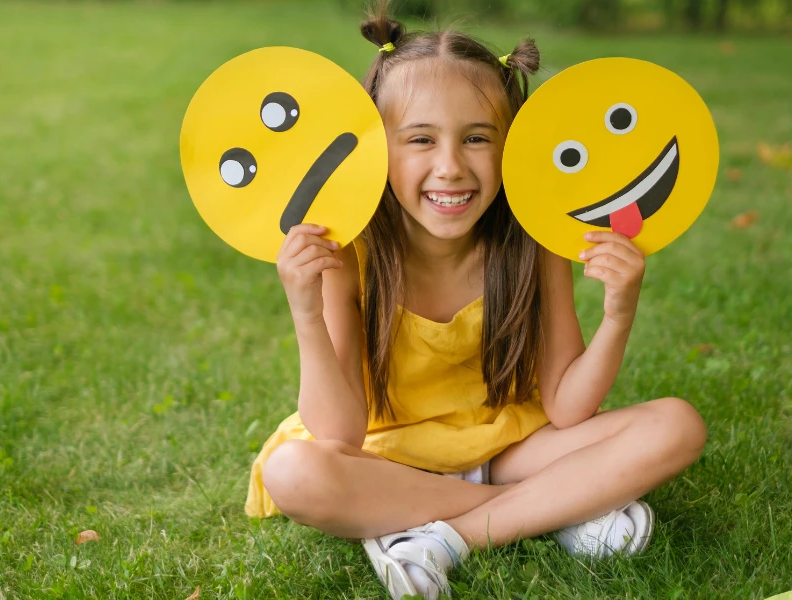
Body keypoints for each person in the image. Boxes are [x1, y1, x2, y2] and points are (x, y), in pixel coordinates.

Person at [244, 2, 707, 597]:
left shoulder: (533, 240)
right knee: (296, 473)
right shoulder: (352, 250)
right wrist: (306, 313)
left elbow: (567, 408)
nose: (451, 167)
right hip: (389, 458)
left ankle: (439, 534)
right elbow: (339, 433)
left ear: (512, 144)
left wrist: (619, 313)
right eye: (419, 139)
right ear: (377, 149)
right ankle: (558, 508)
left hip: (509, 446)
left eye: (477, 138)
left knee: (676, 425)